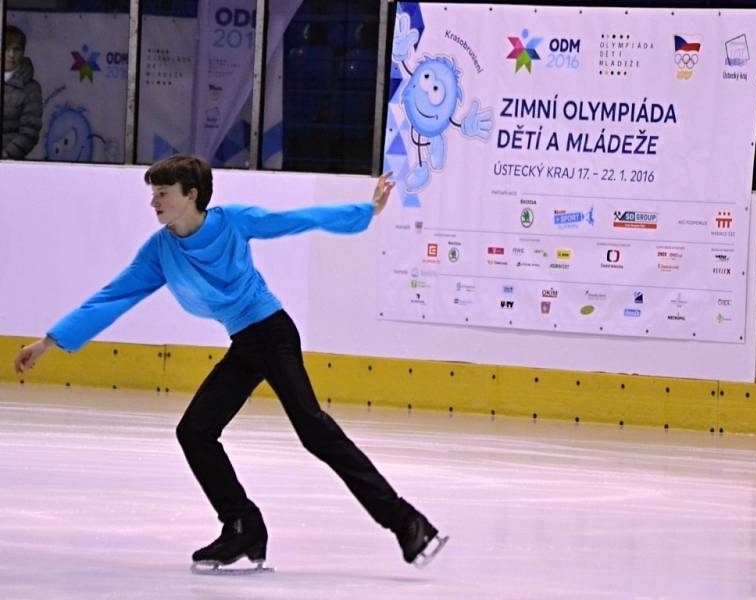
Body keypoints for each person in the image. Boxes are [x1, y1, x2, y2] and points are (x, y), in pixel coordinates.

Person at [13, 155, 447, 569]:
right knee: (195, 432)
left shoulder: (231, 221)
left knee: (315, 430)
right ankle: (242, 525)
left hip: (272, 333)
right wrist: (49, 342)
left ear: (192, 194)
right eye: (153, 194)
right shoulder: (160, 251)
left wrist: (364, 211)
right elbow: (113, 296)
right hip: (245, 341)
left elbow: (294, 220)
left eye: (163, 193)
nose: (154, 202)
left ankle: (409, 523)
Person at [2, 25, 43, 159]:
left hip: (9, 164)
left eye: (16, 49)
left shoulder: (31, 89)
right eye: (6, 48)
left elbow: (29, 131)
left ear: (23, 52)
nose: (11, 55)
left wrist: (7, 155)